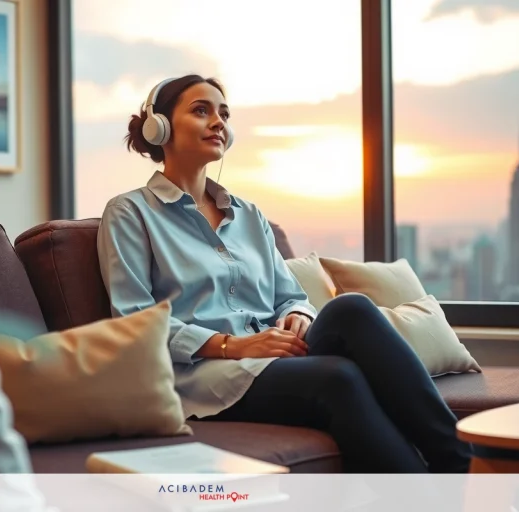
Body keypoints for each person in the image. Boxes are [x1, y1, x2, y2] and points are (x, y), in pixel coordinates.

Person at [96, 74, 472, 474]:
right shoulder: (130, 213)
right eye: (201, 111)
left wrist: (299, 316)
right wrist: (233, 346)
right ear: (161, 128)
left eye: (224, 113)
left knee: (352, 309)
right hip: (207, 377)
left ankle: (461, 465)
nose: (219, 122)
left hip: (278, 354)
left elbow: (289, 296)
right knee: (338, 378)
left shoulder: (250, 216)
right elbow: (136, 324)